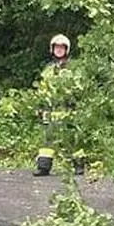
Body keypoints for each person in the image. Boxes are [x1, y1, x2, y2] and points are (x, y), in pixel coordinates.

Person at [33, 34, 86, 177]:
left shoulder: (74, 68)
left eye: (62, 47)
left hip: (68, 110)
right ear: (52, 49)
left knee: (72, 139)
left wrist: (71, 98)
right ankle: (43, 166)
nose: (59, 50)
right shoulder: (48, 69)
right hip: (51, 111)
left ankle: (78, 165)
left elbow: (79, 88)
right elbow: (42, 89)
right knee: (47, 139)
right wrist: (40, 105)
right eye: (57, 47)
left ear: (67, 49)